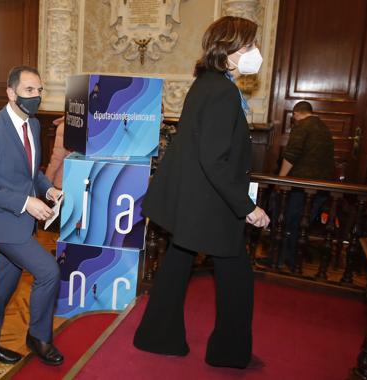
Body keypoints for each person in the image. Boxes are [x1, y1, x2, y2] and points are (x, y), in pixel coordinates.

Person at [133, 16, 270, 369]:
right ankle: (228, 354)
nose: (256, 52)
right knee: (237, 278)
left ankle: (157, 335)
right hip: (212, 203)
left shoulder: (206, 82)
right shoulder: (223, 91)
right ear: (231, 49)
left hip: (193, 200)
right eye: (250, 45)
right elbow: (214, 159)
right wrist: (247, 206)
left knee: (178, 262)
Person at [0, 65, 64, 366]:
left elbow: (31, 171)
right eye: (29, 91)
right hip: (1, 221)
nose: (36, 96)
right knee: (49, 271)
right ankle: (38, 337)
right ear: (11, 93)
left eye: (39, 90)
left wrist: (48, 190)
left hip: (20, 223)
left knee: (3, 286)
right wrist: (26, 203)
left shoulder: (33, 125)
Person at [277, 101, 335, 269]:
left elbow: (291, 155)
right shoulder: (324, 128)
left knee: (289, 220)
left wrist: (281, 180)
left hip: (300, 185)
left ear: (296, 114)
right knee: (304, 223)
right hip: (322, 186)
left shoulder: (301, 126)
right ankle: (295, 260)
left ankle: (283, 259)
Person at [44, 116, 69, 190]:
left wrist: (47, 180)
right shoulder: (85, 124)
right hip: (77, 179)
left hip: (62, 179)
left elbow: (57, 157)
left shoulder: (64, 126)